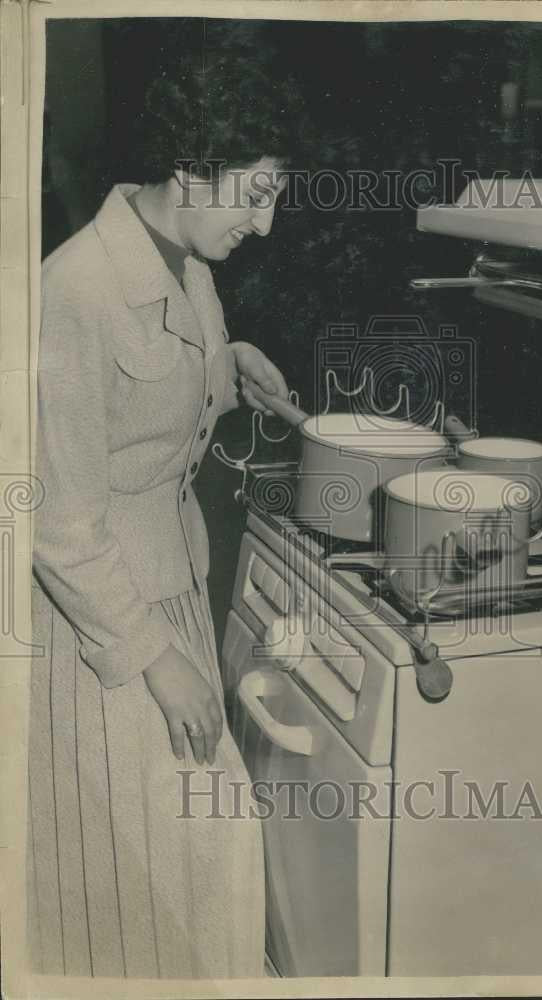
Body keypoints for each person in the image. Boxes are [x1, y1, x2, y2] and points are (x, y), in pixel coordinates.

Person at [27, 48, 302, 978]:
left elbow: (147, 401)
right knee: (136, 878)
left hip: (172, 584)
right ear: (190, 174)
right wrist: (155, 662)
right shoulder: (72, 293)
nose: (263, 223)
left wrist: (232, 366)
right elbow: (56, 519)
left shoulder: (181, 258)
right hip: (100, 629)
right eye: (254, 195)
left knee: (196, 860)